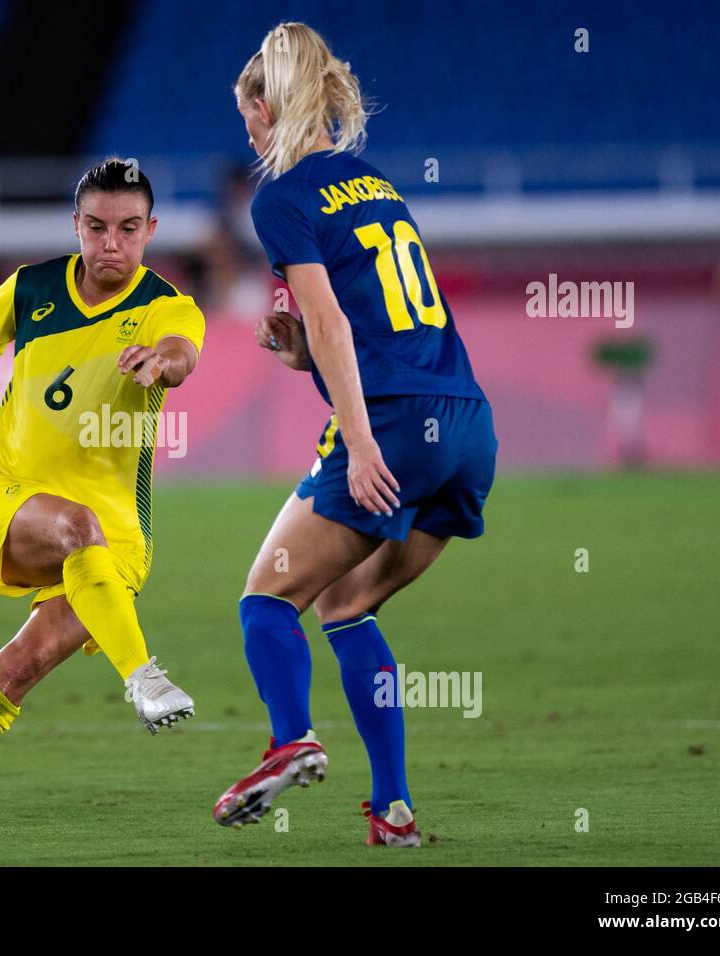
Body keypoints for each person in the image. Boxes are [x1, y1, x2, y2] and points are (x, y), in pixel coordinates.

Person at [213, 23, 497, 847]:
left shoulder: (281, 198)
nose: (251, 135)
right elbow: (379, 325)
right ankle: (394, 809)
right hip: (468, 425)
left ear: (272, 107)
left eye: (250, 118)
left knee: (267, 599)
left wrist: (364, 443)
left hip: (397, 427)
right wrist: (306, 359)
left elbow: (333, 319)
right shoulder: (373, 182)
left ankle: (290, 738)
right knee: (346, 603)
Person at [0, 158, 205, 787]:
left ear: (151, 229)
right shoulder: (30, 288)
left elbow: (182, 355)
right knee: (77, 523)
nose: (111, 243)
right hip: (18, 499)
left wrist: (163, 361)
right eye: (97, 226)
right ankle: (142, 677)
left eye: (128, 228)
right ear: (76, 224)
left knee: (21, 667)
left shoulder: (168, 309)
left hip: (120, 541)